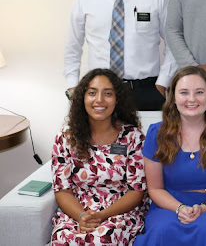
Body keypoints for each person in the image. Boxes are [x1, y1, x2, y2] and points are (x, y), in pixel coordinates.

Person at [64, 0, 177, 111]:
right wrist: (72, 87)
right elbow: (73, 47)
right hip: (99, 92)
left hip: (146, 91)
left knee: (148, 131)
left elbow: (174, 43)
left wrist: (162, 84)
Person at [134, 66, 206, 245]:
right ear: (173, 97)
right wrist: (180, 208)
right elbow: (155, 189)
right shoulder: (157, 133)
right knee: (162, 230)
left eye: (199, 92)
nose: (192, 99)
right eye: (184, 92)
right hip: (169, 205)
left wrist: (205, 207)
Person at [51, 68, 146, 245]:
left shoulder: (133, 137)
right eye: (92, 93)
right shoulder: (66, 137)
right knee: (64, 239)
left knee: (100, 239)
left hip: (119, 212)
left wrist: (102, 216)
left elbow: (137, 191)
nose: (99, 100)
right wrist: (81, 216)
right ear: (82, 98)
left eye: (108, 93)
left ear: (117, 99)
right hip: (77, 211)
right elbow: (63, 190)